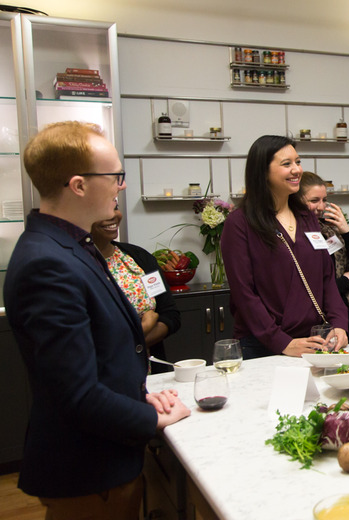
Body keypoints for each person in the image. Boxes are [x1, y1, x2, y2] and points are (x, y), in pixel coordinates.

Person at [3, 121, 190, 519]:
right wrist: (153, 417)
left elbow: (96, 357)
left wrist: (136, 396)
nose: (121, 186)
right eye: (115, 176)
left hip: (107, 457)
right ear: (79, 185)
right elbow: (76, 395)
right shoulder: (47, 263)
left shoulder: (71, 245)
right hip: (87, 469)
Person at [221, 135, 349, 358]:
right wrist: (282, 342)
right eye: (286, 164)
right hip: (264, 345)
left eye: (298, 162)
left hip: (313, 340)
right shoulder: (240, 223)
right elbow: (244, 294)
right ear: (262, 171)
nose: (297, 170)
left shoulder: (307, 217)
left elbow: (326, 276)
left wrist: (339, 322)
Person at [92, 205, 181, 373]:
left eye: (116, 207)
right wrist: (145, 326)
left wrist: (135, 342)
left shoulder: (139, 258)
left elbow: (170, 315)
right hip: (102, 377)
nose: (113, 215)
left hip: (150, 375)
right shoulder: (75, 265)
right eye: (103, 208)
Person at [299, 171, 349, 342]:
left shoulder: (328, 229)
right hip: (315, 321)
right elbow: (308, 289)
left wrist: (346, 231)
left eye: (324, 200)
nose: (322, 206)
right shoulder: (296, 236)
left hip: (346, 315)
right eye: (314, 201)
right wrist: (344, 283)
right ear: (297, 200)